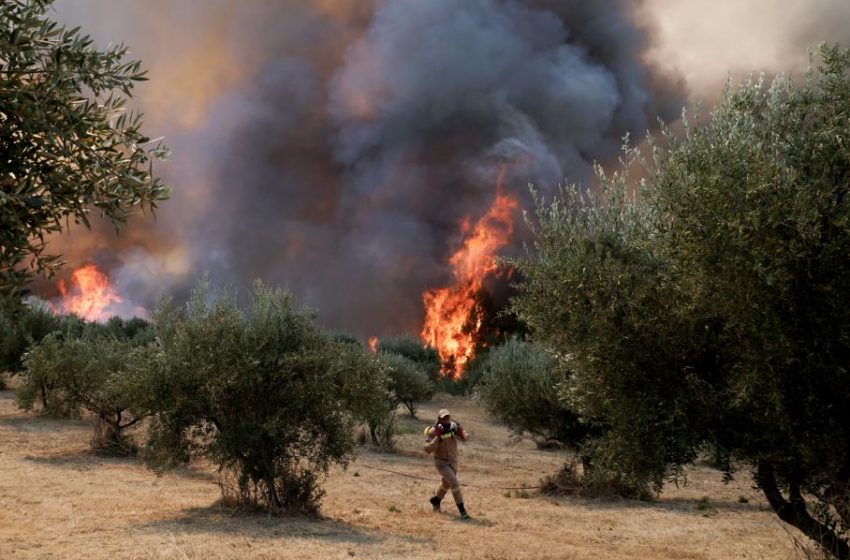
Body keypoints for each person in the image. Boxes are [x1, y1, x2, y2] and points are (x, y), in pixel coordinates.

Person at [424, 408, 470, 519]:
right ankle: (462, 511)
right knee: (454, 482)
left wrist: (460, 430)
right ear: (439, 419)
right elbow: (427, 449)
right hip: (441, 463)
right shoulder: (433, 431)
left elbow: (465, 438)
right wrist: (437, 436)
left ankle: (436, 500)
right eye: (444, 418)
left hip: (453, 463)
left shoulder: (453, 428)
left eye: (448, 417)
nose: (446, 419)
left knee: (446, 484)